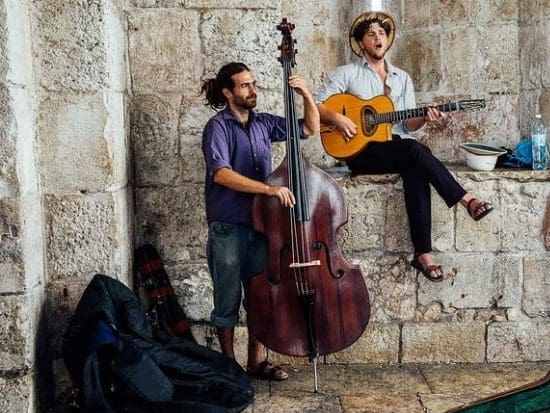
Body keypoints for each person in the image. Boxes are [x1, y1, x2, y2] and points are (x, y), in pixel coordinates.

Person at [313, 11, 494, 282]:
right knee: (414, 152)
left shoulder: (402, 78)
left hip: (394, 146)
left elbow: (407, 125)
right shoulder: (347, 74)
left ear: (387, 41)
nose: (378, 38)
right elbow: (314, 105)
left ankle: (424, 255)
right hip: (359, 151)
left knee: (416, 164)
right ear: (362, 43)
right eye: (371, 34)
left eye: (382, 34)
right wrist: (337, 117)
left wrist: (424, 117)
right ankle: (466, 199)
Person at [200, 62, 320, 380]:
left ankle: (256, 362)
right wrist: (269, 189)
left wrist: (306, 94)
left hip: (260, 228)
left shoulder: (263, 123)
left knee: (259, 298)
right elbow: (221, 174)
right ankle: (229, 366)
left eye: (253, 84)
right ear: (228, 93)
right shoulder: (218, 127)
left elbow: (309, 128)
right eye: (245, 86)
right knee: (226, 300)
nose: (253, 91)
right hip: (228, 227)